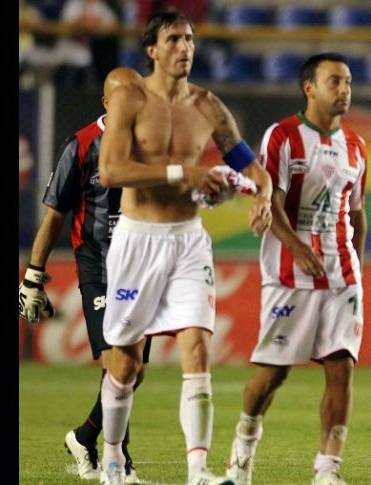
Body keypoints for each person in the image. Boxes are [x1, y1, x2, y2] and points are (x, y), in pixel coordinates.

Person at [96, 8, 272, 485]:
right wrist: (184, 173)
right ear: (152, 50)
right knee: (127, 361)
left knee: (197, 348)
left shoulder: (207, 106)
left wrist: (263, 197)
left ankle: (198, 471)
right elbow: (110, 171)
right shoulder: (130, 99)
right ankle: (112, 456)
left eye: (190, 39)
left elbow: (253, 169)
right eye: (174, 39)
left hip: (189, 241)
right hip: (138, 239)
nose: (185, 47)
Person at [224, 52, 367, 485]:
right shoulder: (283, 136)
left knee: (341, 365)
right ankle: (243, 447)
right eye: (334, 81)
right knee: (273, 372)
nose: (343, 90)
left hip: (342, 272)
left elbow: (356, 213)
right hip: (290, 272)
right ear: (310, 88)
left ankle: (327, 470)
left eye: (347, 81)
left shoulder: (357, 147)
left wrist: (356, 264)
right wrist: (294, 244)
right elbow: (272, 197)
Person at [18, 66, 149, 483]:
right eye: (125, 96)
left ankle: (85, 435)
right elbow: (55, 214)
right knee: (119, 362)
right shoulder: (81, 144)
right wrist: (33, 275)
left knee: (134, 370)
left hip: (140, 266)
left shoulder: (151, 141)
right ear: (107, 102)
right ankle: (119, 460)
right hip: (97, 265)